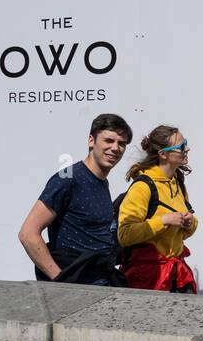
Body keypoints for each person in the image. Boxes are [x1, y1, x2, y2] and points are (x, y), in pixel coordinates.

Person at [18, 113, 132, 285]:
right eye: (109, 141)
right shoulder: (68, 179)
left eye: (121, 143)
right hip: (77, 290)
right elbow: (28, 234)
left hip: (102, 282)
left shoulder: (102, 182)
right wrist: (61, 280)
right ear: (91, 141)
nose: (116, 148)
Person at [117, 125, 198, 292]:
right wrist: (164, 221)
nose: (187, 149)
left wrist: (190, 223)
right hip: (147, 279)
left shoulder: (178, 182)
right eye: (182, 146)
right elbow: (124, 234)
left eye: (186, 143)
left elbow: (182, 233)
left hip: (176, 275)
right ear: (163, 154)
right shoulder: (142, 186)